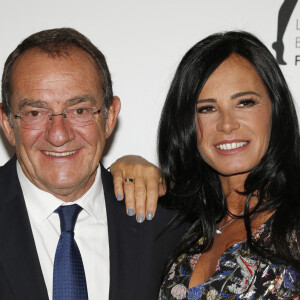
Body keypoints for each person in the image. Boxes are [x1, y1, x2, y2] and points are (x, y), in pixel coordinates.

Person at [0, 27, 186, 300]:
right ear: (7, 123)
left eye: (79, 110)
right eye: (35, 112)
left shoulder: (171, 225)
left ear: (109, 117)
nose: (59, 134)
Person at [112, 31, 300, 298]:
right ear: (187, 124)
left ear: (275, 107)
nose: (226, 124)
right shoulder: (181, 224)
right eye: (207, 108)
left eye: (245, 103)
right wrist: (126, 166)